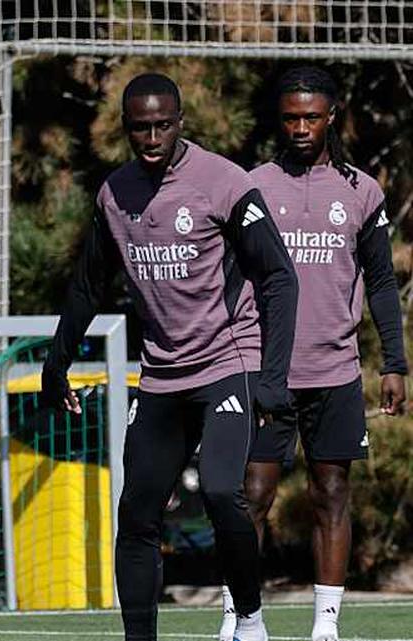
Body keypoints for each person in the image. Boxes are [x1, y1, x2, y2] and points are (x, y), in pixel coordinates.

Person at [40, 73, 298, 641]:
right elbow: (88, 284)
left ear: (181, 122)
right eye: (141, 127)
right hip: (161, 372)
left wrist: (273, 378)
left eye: (163, 125)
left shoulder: (223, 183)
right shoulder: (115, 195)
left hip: (229, 360)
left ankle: (249, 619)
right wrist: (56, 364)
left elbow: (280, 277)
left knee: (221, 491)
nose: (152, 137)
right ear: (126, 128)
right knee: (137, 513)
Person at [216, 67, 407, 641]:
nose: (301, 128)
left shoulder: (361, 191)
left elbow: (381, 282)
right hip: (265, 370)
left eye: (312, 117)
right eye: (291, 118)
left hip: (335, 370)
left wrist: (394, 363)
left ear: (331, 118)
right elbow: (228, 277)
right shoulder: (252, 187)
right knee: (251, 494)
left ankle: (326, 624)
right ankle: (238, 616)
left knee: (332, 493)